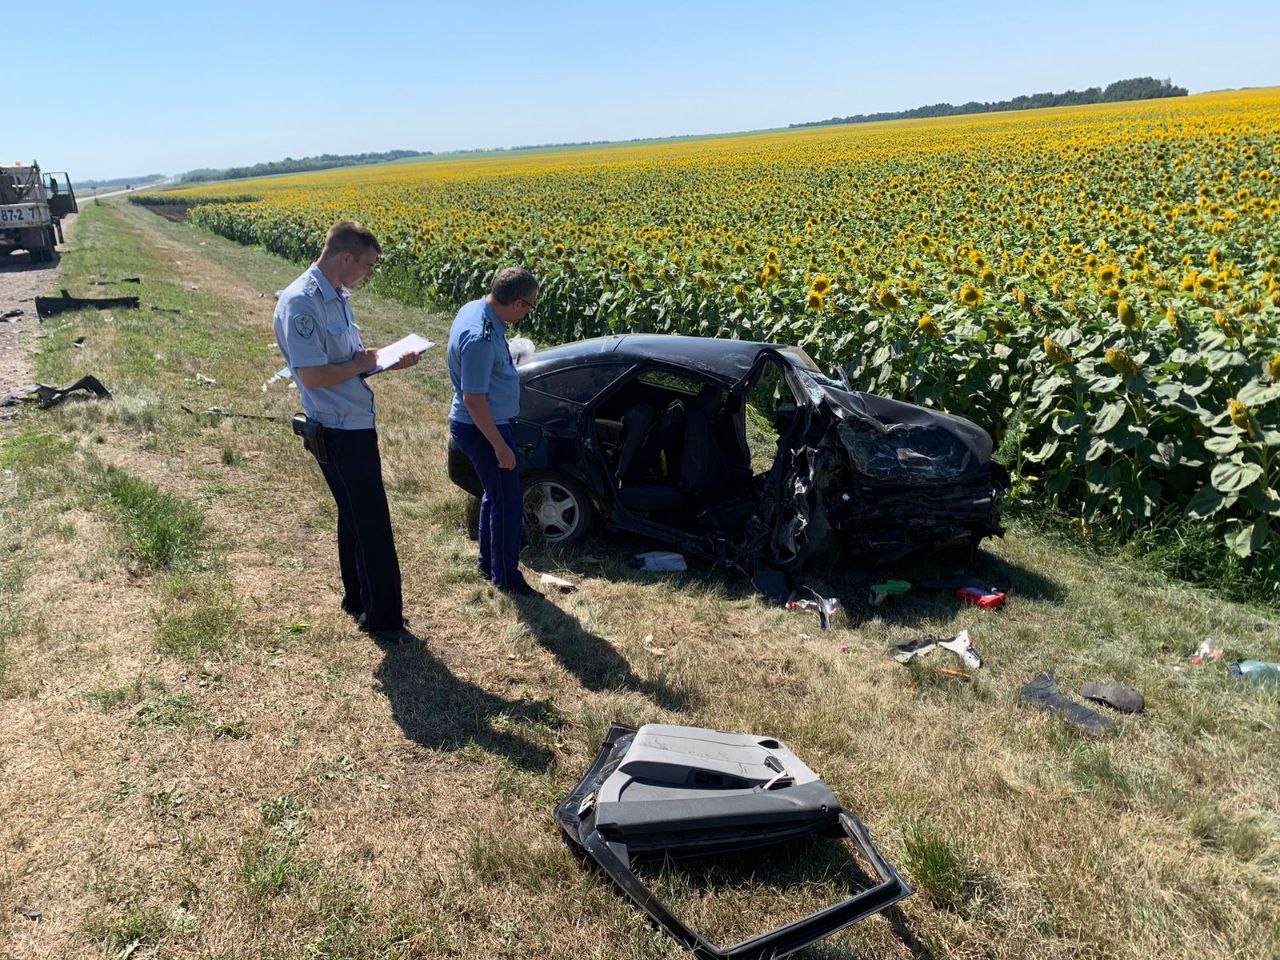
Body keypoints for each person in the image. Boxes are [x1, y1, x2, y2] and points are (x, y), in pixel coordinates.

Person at [274, 221, 420, 643]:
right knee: (371, 520)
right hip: (339, 428)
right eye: (368, 265)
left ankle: (357, 600)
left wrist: (382, 362)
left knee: (353, 515)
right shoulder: (302, 302)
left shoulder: (335, 295)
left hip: (350, 419)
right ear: (346, 258)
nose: (369, 274)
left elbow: (344, 359)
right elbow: (315, 375)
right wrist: (361, 364)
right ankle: (384, 620)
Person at [447, 267, 538, 595]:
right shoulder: (481, 337)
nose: (527, 313)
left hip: (484, 423)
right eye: (529, 307)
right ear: (517, 303)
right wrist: (499, 446)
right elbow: (474, 399)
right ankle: (507, 578)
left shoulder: (474, 308)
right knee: (508, 502)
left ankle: (488, 563)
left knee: (494, 493)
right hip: (483, 427)